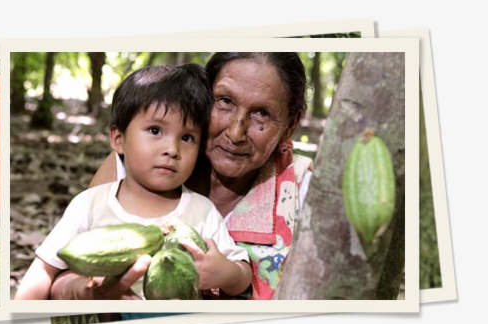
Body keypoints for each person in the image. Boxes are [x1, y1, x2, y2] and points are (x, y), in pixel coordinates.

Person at [69, 52, 313, 300]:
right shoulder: (137, 166)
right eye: (225, 101)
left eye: (262, 113)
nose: (236, 132)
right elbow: (71, 268)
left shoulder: (304, 192)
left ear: (290, 126)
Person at [14, 63, 251, 300]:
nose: (172, 149)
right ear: (118, 139)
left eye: (187, 137)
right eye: (155, 131)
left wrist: (224, 273)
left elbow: (242, 275)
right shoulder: (90, 204)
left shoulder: (202, 211)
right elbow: (43, 270)